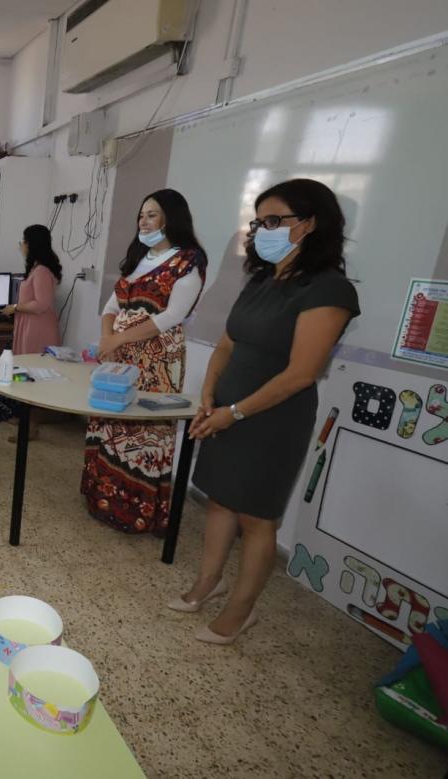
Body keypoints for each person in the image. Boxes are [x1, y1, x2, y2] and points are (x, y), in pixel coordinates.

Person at [173, 178, 360, 645]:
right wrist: (209, 396)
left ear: (310, 223)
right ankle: (208, 582)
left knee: (257, 517)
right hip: (226, 410)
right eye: (259, 222)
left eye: (275, 220)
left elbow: (301, 373)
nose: (263, 231)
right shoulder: (261, 281)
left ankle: (241, 611)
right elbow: (227, 344)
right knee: (220, 499)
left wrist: (234, 413)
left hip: (272, 420)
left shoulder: (329, 290)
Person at [81, 190, 208, 532]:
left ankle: (134, 513)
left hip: (156, 362)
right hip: (118, 355)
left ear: (172, 217)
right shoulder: (139, 257)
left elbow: (171, 316)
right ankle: (101, 500)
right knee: (110, 424)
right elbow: (111, 307)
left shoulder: (188, 262)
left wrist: (118, 339)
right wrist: (107, 340)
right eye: (141, 215)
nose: (144, 221)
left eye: (152, 215)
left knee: (142, 433)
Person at [1, 224, 63, 441]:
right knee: (24, 372)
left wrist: (15, 307)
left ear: (32, 244)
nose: (22, 245)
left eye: (24, 241)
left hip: (38, 329)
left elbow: (42, 304)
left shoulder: (42, 271)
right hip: (29, 325)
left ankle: (32, 426)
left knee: (33, 376)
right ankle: (25, 416)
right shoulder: (36, 269)